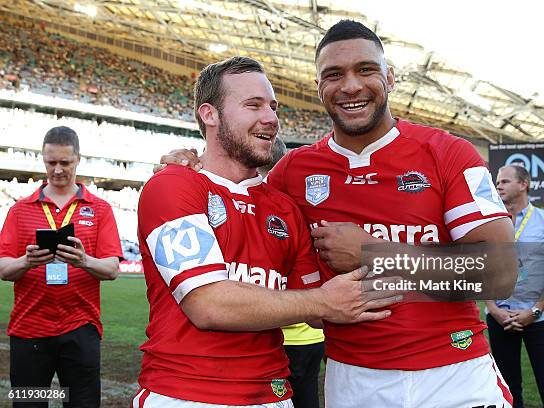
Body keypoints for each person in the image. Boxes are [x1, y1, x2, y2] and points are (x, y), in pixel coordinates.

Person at [161, 21, 518, 408]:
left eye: (365, 70)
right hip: (354, 379)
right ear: (319, 88)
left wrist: (372, 252)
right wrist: (186, 171)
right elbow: (232, 196)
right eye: (334, 75)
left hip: (456, 374)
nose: (350, 86)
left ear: (390, 78)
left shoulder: (448, 153)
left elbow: (500, 273)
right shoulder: (292, 173)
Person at [134, 56, 401, 407]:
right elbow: (208, 304)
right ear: (209, 114)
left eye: (273, 107)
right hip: (187, 394)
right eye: (253, 105)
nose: (271, 118)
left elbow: (322, 311)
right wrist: (324, 301)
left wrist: (380, 255)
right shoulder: (173, 185)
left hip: (275, 394)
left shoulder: (284, 208)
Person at [0, 126, 122, 408]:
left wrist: (83, 261)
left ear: (78, 159)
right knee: (29, 404)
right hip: (29, 329)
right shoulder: (20, 210)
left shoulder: (100, 209)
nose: (57, 170)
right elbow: (4, 269)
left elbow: (112, 269)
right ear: (43, 160)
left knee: (82, 403)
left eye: (65, 163)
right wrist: (26, 262)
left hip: (81, 328)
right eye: (50, 162)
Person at [487, 164, 544, 408]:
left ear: (523, 184)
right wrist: (494, 310)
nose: (498, 185)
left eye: (504, 181)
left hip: (539, 317)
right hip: (499, 318)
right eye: (497, 182)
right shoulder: (488, 223)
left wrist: (534, 311)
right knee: (507, 391)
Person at [260, 137, 325, 408]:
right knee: (308, 397)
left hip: (281, 335)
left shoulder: (267, 206)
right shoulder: (304, 203)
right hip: (315, 334)